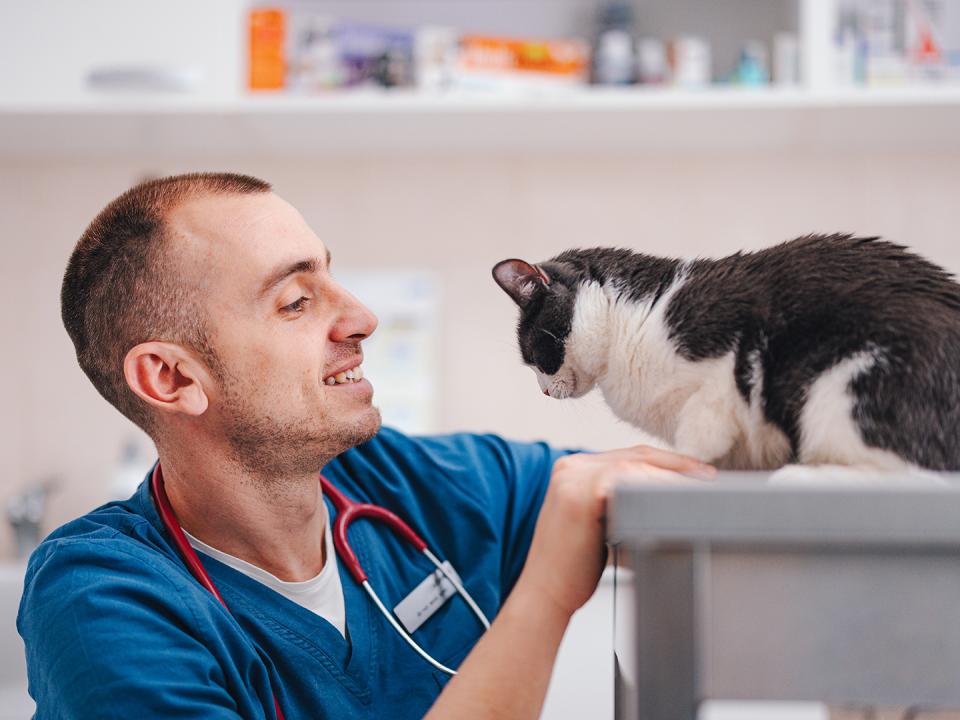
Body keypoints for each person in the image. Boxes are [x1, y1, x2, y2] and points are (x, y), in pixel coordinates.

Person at [17, 173, 714, 719]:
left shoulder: (403, 483)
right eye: (295, 301)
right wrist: (546, 596)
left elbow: (644, 494)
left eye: (331, 276)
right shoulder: (99, 598)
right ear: (172, 377)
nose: (362, 318)